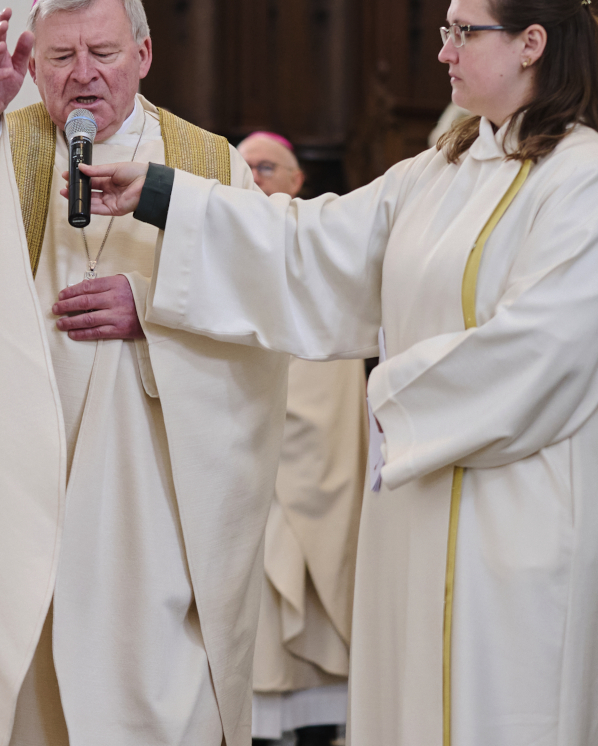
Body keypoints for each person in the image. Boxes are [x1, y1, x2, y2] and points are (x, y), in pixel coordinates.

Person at [75, 0, 598, 746]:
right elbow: (315, 244)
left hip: (525, 525)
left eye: (462, 31)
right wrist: (165, 194)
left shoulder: (587, 181)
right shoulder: (443, 169)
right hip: (422, 513)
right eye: (445, 31)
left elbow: (549, 348)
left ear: (531, 42)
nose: (443, 50)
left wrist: (393, 398)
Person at [0, 0, 286, 746]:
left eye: (103, 54)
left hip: (148, 498)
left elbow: (267, 306)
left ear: (144, 54)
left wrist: (156, 311)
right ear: (31, 64)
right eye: (59, 58)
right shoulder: (1, 149)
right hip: (20, 494)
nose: (82, 76)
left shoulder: (209, 165)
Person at [237, 130, 366, 746]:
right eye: (243, 168)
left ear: (296, 183)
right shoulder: (209, 253)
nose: (255, 177)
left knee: (309, 662)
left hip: (301, 487)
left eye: (267, 167)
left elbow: (327, 403)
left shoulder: (321, 258)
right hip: (238, 492)